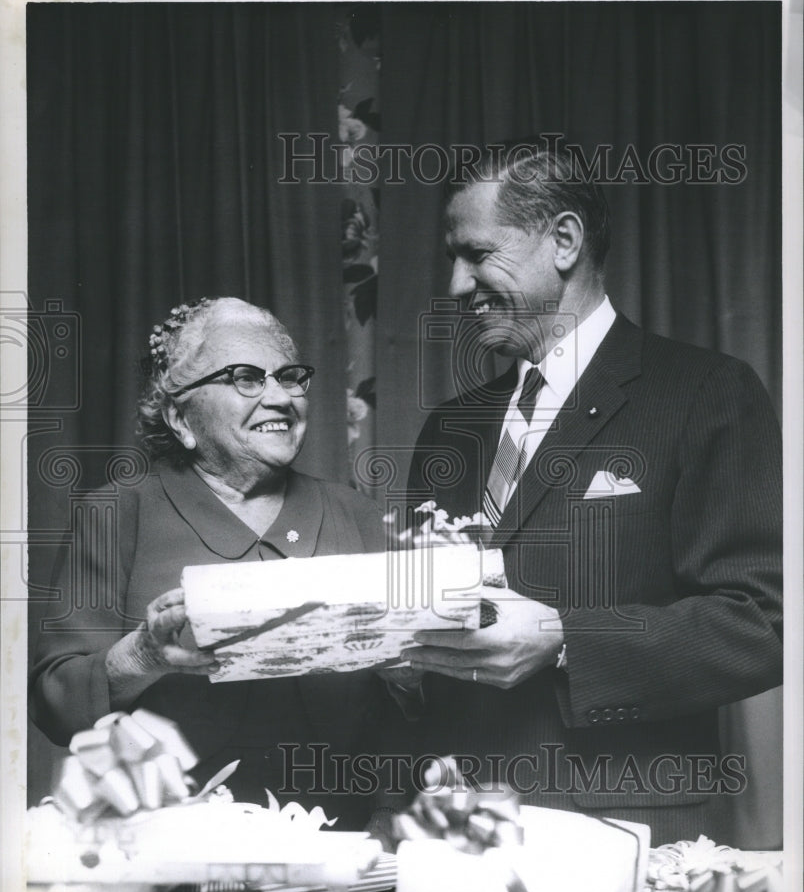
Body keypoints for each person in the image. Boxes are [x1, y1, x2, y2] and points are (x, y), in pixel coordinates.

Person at [399, 141, 783, 846]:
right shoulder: (449, 430)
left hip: (621, 826)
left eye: (477, 254)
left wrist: (564, 640)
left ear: (565, 241)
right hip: (451, 826)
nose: (457, 284)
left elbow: (762, 625)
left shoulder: (707, 395)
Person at [30, 296, 387, 828]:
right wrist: (143, 655)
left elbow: (402, 709)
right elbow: (56, 702)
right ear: (180, 417)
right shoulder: (119, 511)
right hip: (172, 844)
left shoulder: (356, 514)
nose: (279, 397)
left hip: (341, 839)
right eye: (245, 378)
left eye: (289, 377)